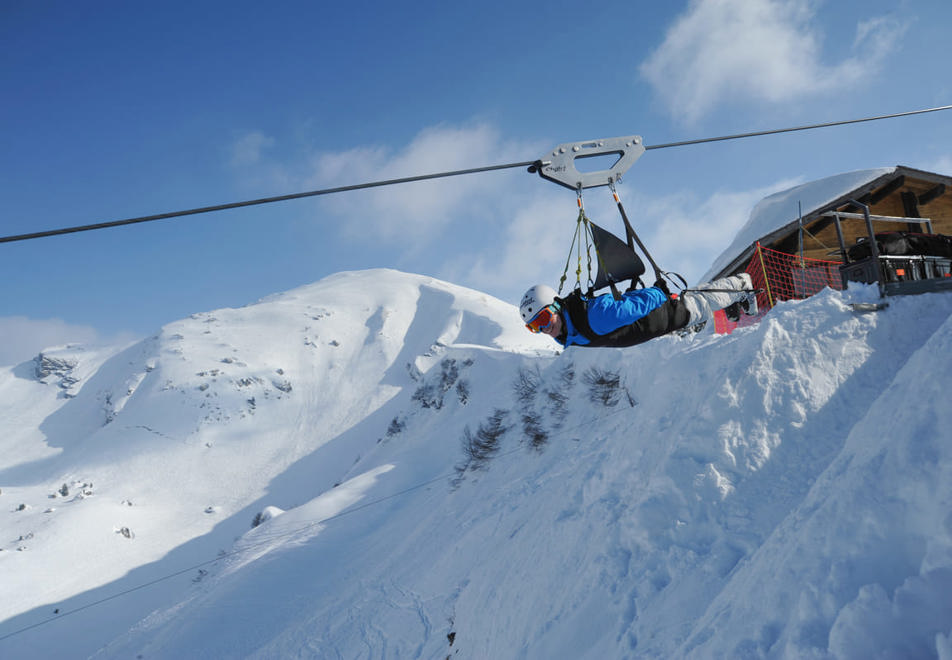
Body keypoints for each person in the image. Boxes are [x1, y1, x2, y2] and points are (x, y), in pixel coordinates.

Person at [520, 274, 758, 348]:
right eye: (533, 327)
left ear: (555, 306)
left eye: (542, 318)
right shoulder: (571, 331)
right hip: (658, 321)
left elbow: (631, 308)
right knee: (702, 299)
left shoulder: (592, 317)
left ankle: (743, 286)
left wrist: (658, 293)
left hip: (663, 314)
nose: (543, 329)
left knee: (703, 304)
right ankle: (735, 298)